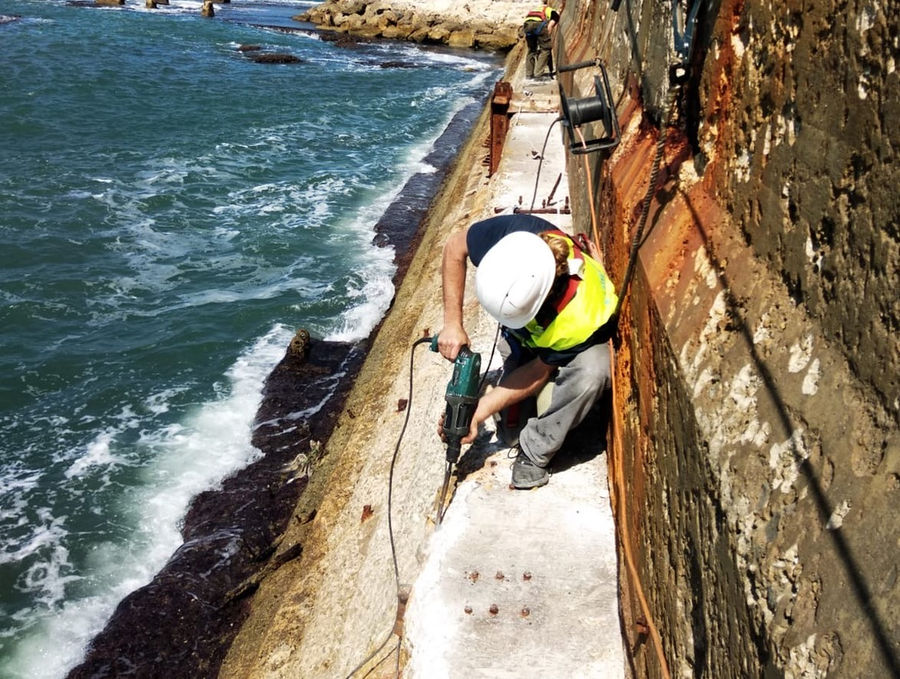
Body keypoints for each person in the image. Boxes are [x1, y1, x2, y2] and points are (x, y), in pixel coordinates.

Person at [437, 214, 618, 489]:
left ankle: (535, 453)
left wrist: (480, 409)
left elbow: (538, 370)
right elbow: (454, 248)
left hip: (574, 343)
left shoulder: (579, 319)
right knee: (511, 433)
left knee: (593, 371)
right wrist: (452, 323)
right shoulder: (514, 236)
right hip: (530, 337)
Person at [522, 3, 561, 79]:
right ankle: (538, 74)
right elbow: (554, 19)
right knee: (546, 49)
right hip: (538, 25)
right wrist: (549, 31)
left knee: (531, 50)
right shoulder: (549, 10)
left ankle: (529, 74)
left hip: (527, 26)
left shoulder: (534, 10)